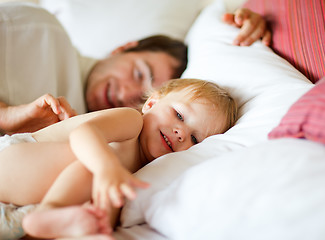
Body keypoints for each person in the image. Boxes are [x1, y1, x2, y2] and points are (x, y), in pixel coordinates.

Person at [0, 78, 239, 239]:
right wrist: (106, 167)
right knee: (102, 166)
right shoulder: (131, 122)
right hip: (13, 162)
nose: (181, 133)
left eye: (195, 139)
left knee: (116, 194)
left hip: (19, 210)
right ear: (151, 103)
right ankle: (49, 212)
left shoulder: (146, 171)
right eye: (178, 115)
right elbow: (83, 134)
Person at [0, 2, 270, 136]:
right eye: (139, 73)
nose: (127, 94)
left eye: (142, 98)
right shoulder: (40, 33)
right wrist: (7, 116)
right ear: (124, 48)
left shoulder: (114, 138)